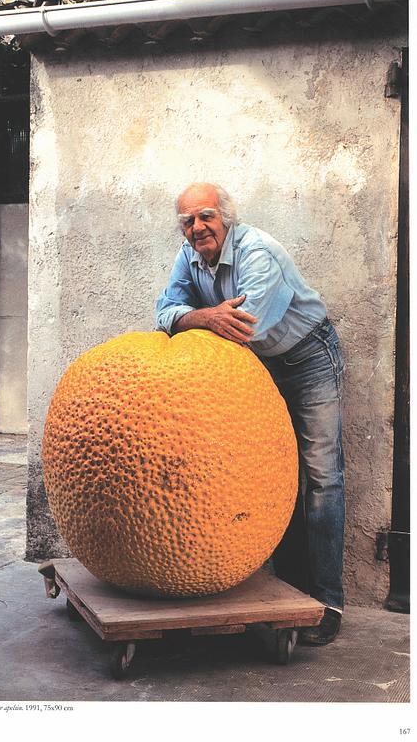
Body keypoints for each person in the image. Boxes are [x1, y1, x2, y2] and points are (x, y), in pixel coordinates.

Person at [155, 182, 346, 645]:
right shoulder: (190, 255)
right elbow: (164, 310)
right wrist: (204, 316)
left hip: (308, 358)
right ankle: (291, 591)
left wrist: (200, 317)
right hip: (258, 368)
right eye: (188, 221)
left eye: (205, 217)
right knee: (273, 477)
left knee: (322, 477)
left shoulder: (258, 252)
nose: (197, 228)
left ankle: (327, 602)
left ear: (226, 217)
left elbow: (242, 326)